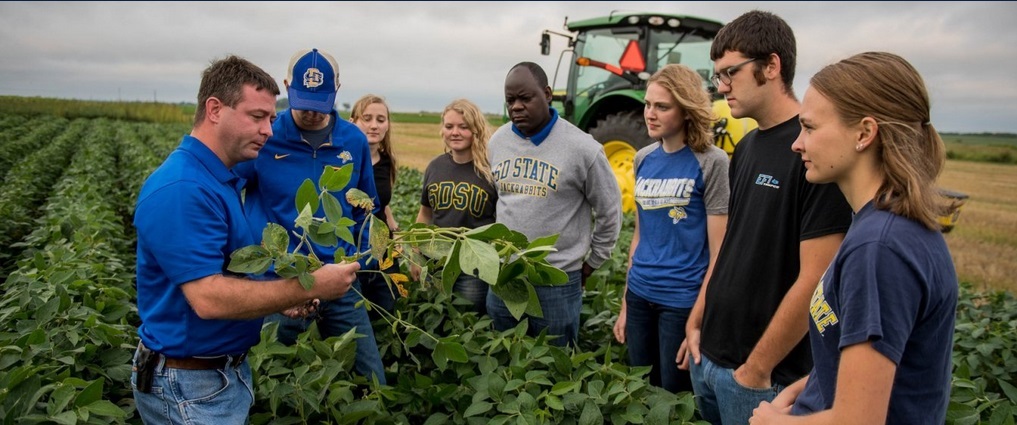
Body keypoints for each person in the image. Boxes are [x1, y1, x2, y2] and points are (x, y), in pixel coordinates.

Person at [131, 55, 360, 424]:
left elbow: (223, 274)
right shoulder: (184, 187)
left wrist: (275, 301)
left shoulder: (216, 178)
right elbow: (208, 297)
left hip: (213, 378)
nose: (269, 130)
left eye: (271, 118)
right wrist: (307, 287)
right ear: (215, 109)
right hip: (190, 387)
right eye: (257, 117)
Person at [750, 51, 959, 425]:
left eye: (810, 128)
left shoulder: (879, 248)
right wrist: (805, 388)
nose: (796, 144)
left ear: (864, 133)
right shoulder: (881, 224)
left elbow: (859, 420)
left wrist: (773, 422)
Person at [677, 11, 853, 425]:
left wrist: (756, 370)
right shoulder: (749, 145)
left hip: (762, 377)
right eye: (717, 76)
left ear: (771, 67)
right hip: (711, 356)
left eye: (730, 74)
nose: (721, 87)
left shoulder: (814, 153)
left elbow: (815, 279)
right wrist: (697, 318)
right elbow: (731, 245)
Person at [233, 48, 386, 385]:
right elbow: (227, 198)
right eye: (303, 103)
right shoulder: (265, 138)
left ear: (337, 90)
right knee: (266, 379)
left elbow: (366, 211)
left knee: (371, 381)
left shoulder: (353, 141)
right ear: (287, 87)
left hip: (339, 281)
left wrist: (359, 264)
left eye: (321, 104)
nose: (312, 114)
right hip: (278, 284)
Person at [612, 64, 729, 394]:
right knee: (639, 390)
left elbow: (719, 252)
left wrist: (697, 319)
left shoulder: (712, 162)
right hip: (639, 295)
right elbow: (639, 235)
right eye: (648, 104)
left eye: (662, 106)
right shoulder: (643, 158)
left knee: (672, 395)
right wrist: (624, 304)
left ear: (687, 109)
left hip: (681, 301)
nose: (650, 113)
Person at [487, 61, 622, 347]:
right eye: (511, 100)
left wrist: (592, 263)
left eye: (526, 98)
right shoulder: (497, 142)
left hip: (556, 281)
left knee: (555, 362)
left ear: (547, 94)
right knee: (503, 357)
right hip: (504, 276)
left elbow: (610, 213)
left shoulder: (583, 148)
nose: (517, 107)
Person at [414, 98, 498, 314]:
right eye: (449, 126)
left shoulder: (489, 172)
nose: (455, 132)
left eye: (463, 127)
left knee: (469, 321)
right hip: (437, 261)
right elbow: (425, 214)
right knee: (438, 320)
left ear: (476, 130)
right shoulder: (435, 166)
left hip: (473, 266)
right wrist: (415, 253)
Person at [350, 94, 402, 315]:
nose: (374, 125)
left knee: (387, 308)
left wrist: (395, 231)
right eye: (367, 118)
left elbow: (381, 203)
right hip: (350, 249)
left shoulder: (387, 161)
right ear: (353, 121)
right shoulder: (343, 160)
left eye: (381, 120)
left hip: (382, 247)